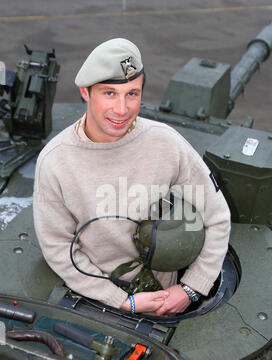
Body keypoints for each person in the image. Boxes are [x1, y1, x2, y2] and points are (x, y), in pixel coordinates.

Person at [33, 38, 231, 316]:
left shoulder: (165, 143)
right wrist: (120, 300)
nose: (122, 109)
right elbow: (58, 247)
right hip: (95, 300)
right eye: (110, 93)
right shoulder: (55, 161)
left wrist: (191, 288)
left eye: (132, 94)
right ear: (85, 92)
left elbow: (217, 215)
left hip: (165, 301)